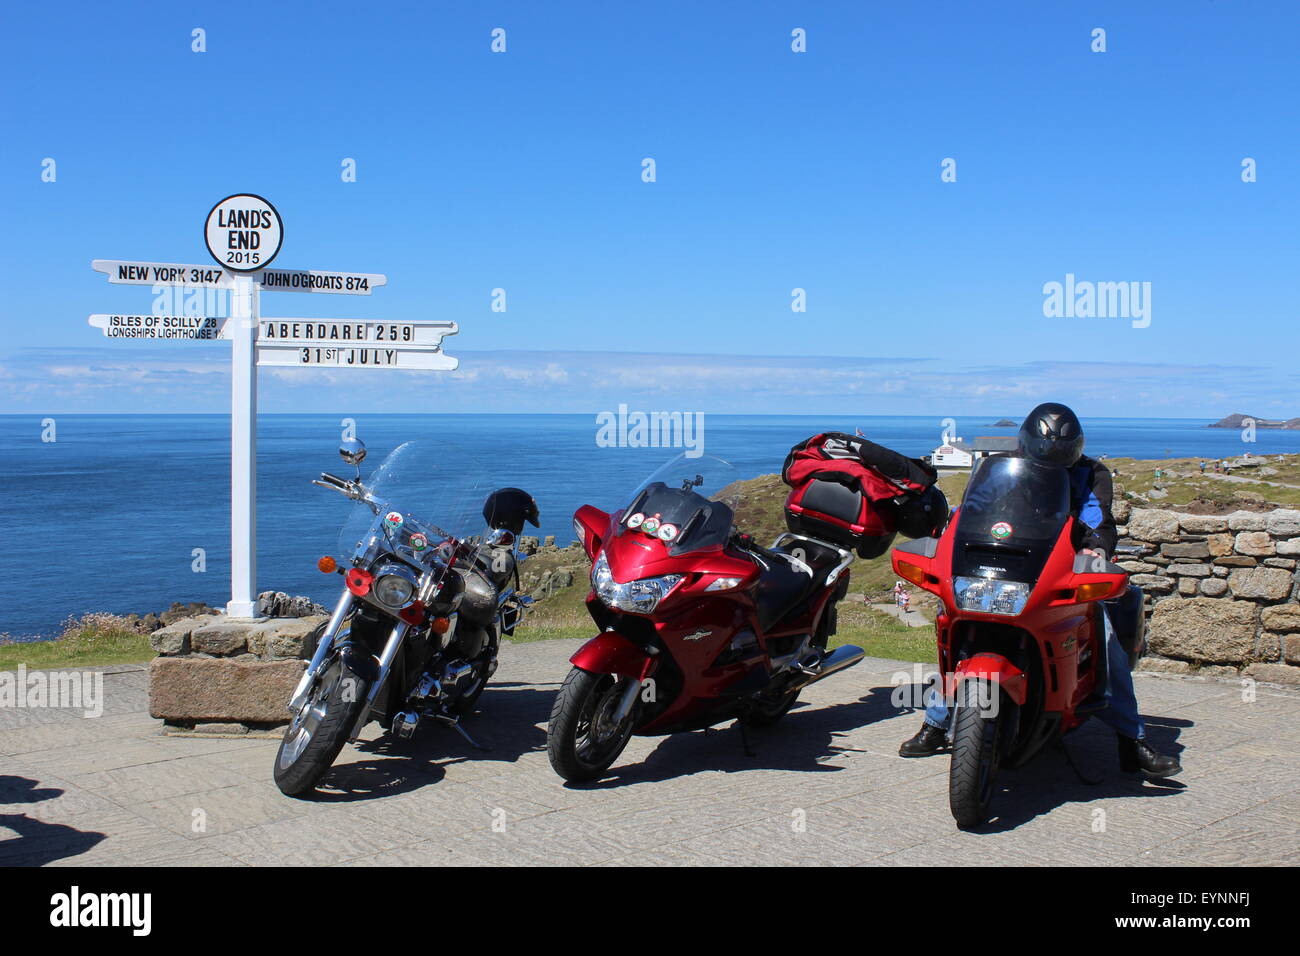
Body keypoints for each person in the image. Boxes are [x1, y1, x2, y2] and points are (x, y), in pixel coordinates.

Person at [898, 402, 1182, 778]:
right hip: (1003, 564)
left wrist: (1095, 549)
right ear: (1028, 444)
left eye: (1062, 455)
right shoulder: (1000, 469)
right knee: (957, 633)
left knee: (1107, 638)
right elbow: (974, 508)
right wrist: (949, 538)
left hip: (1058, 566)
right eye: (1046, 453)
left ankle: (1131, 740)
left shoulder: (1091, 473)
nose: (1054, 461)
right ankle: (935, 723)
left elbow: (1099, 520)